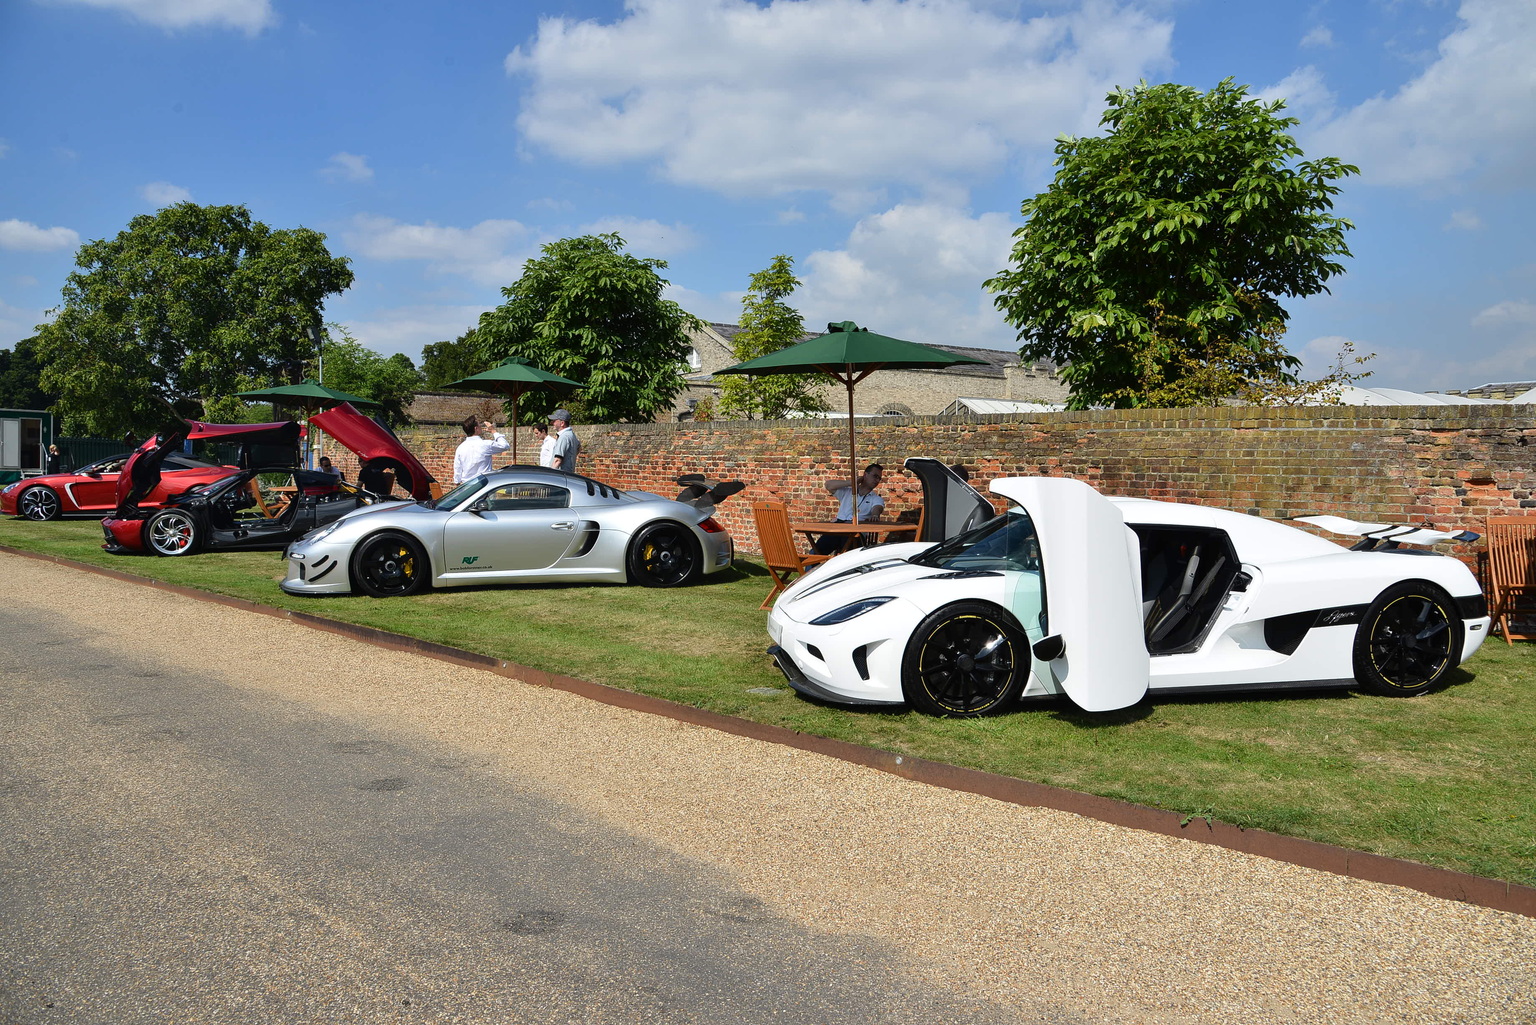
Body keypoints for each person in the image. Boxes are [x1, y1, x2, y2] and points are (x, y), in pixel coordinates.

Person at [814, 463, 885, 554]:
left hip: (855, 534)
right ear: (865, 475)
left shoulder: (875, 498)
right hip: (838, 530)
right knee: (815, 551)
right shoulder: (848, 491)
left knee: (847, 549)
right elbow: (828, 485)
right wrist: (853, 482)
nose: (877, 480)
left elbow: (877, 507)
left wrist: (875, 515)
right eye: (875, 476)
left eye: (879, 478)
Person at [453, 415, 509, 483]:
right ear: (476, 428)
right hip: (483, 485)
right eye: (479, 425)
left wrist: (457, 483)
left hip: (467, 486)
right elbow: (505, 445)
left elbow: (457, 469)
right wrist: (493, 431)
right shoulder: (485, 444)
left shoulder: (460, 448)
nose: (481, 427)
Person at [548, 408, 580, 473]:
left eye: (554, 421)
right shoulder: (572, 435)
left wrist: (550, 476)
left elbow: (557, 460)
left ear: (562, 423)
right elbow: (579, 448)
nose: (552, 423)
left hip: (560, 476)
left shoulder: (564, 437)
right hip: (568, 475)